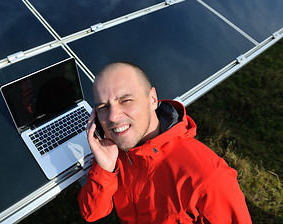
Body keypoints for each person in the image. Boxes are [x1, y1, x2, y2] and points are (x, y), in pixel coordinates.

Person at [78, 62, 252, 223]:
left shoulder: (210, 178)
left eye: (126, 100)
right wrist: (105, 169)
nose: (113, 117)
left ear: (152, 99)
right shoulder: (117, 149)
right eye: (103, 107)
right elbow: (92, 213)